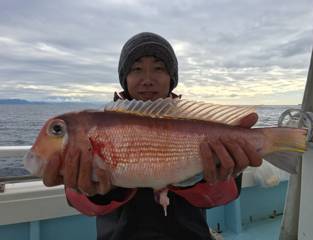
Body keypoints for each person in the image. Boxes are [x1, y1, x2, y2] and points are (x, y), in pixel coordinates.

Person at [42, 32, 262, 240]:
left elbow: (223, 197)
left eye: (158, 68)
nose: (147, 79)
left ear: (171, 78)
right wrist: (98, 192)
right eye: (136, 69)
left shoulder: (200, 129)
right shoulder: (97, 130)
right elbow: (82, 205)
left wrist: (212, 175)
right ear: (124, 78)